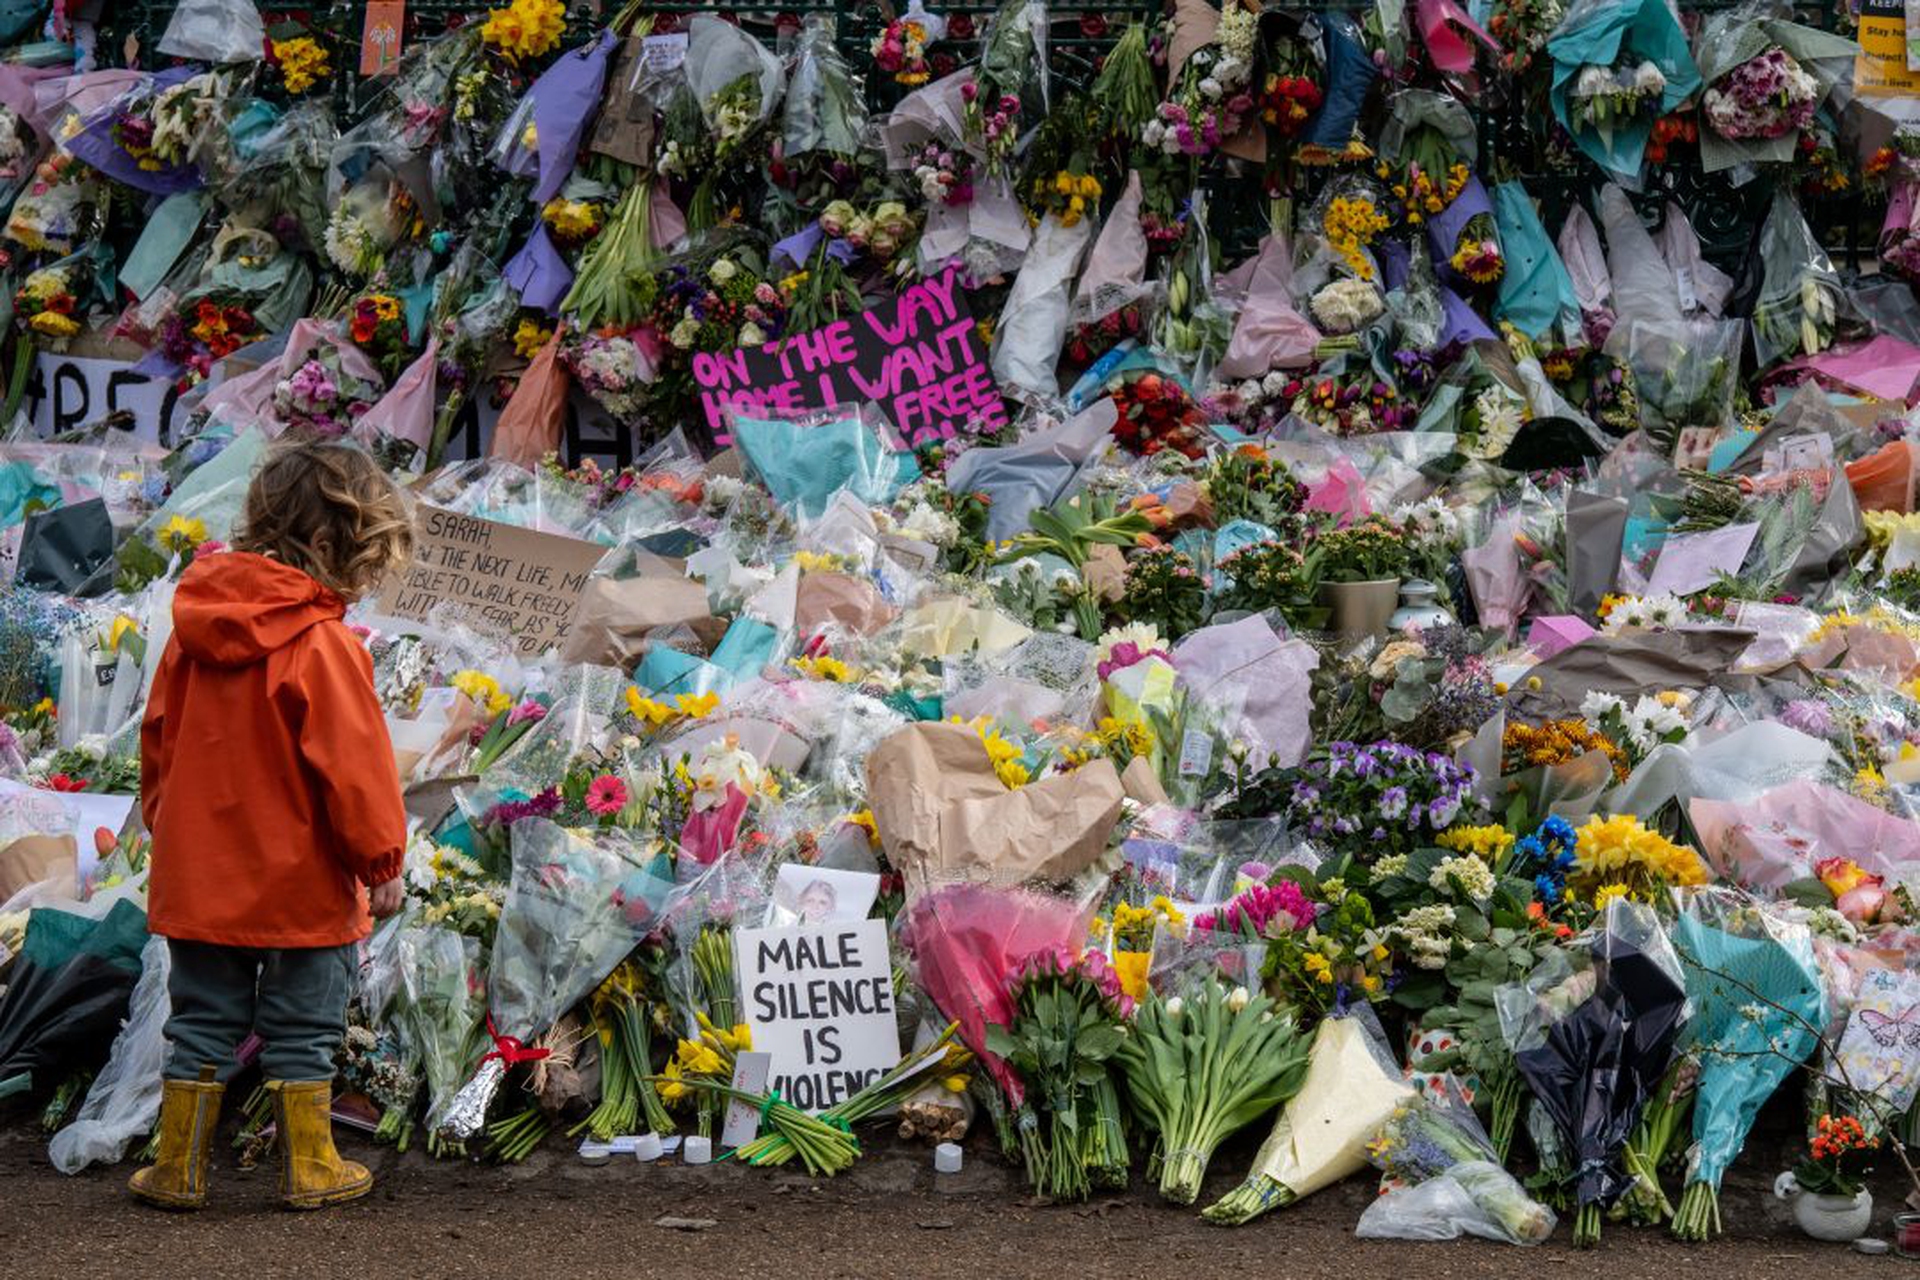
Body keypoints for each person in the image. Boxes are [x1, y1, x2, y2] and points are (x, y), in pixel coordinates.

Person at [129, 442, 413, 1212]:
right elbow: (354, 769)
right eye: (360, 562)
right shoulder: (322, 644)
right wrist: (381, 862)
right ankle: (313, 1167)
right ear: (324, 546)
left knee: (201, 1023)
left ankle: (179, 1169)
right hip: (300, 882)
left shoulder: (193, 631)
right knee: (302, 1027)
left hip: (202, 878)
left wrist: (171, 828)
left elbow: (157, 741)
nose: (358, 584)